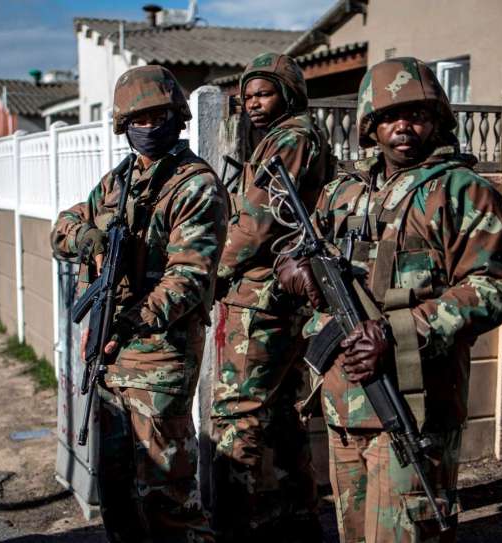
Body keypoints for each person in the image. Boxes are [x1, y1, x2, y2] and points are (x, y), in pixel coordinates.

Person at [275, 57, 502, 542]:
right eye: (389, 116)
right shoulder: (343, 192)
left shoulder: (463, 192)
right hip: (344, 407)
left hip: (413, 407)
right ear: (370, 124)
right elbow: (290, 248)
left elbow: (492, 289)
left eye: (417, 115)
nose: (403, 126)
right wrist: (293, 271)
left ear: (437, 120)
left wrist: (396, 331)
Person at [51, 65, 228, 543]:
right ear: (123, 125)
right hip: (110, 363)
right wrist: (88, 239)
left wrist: (125, 324)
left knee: (167, 501)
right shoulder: (118, 182)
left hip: (159, 359)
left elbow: (187, 279)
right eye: (138, 118)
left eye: (158, 116)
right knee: (117, 494)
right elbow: (62, 227)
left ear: (177, 117)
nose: (148, 127)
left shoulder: (195, 185)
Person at [210, 52, 331, 542]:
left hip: (263, 297)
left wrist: (210, 274)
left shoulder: (292, 137)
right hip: (278, 293)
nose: (252, 105)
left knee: (236, 417)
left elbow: (256, 224)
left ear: (288, 92)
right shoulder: (285, 136)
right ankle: (298, 522)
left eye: (263, 94)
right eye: (247, 97)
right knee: (281, 414)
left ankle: (229, 526)